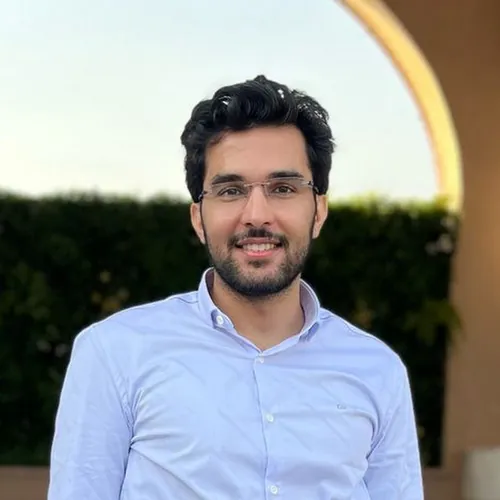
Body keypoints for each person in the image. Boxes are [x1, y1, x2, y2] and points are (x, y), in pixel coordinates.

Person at [48, 75, 424, 499]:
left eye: (283, 188)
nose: (257, 214)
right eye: (231, 190)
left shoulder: (378, 370)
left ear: (318, 212)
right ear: (198, 218)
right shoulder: (114, 354)